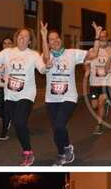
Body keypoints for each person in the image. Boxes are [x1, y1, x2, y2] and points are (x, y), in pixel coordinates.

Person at [0, 28, 47, 166]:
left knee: (19, 122)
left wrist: (47, 65)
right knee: (18, 125)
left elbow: (42, 70)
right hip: (10, 94)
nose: (21, 38)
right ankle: (26, 146)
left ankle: (28, 153)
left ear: (30, 41)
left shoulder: (34, 55)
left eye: (25, 37)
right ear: (16, 38)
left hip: (27, 94)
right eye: (19, 36)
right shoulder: (7, 52)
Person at [40, 21, 101, 165]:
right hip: (51, 98)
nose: (55, 41)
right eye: (51, 39)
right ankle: (63, 152)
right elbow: (45, 59)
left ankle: (65, 150)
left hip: (69, 96)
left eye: (56, 38)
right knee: (56, 129)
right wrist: (43, 36)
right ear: (48, 43)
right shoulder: (46, 54)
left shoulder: (72, 53)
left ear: (61, 40)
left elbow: (93, 54)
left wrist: (97, 36)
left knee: (60, 125)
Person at [85, 28, 111, 135]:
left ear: (107, 38)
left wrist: (108, 69)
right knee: (94, 105)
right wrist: (87, 70)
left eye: (104, 37)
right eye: (100, 36)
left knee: (100, 102)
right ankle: (106, 105)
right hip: (94, 82)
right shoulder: (91, 50)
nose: (102, 39)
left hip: (106, 82)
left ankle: (99, 125)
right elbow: (86, 63)